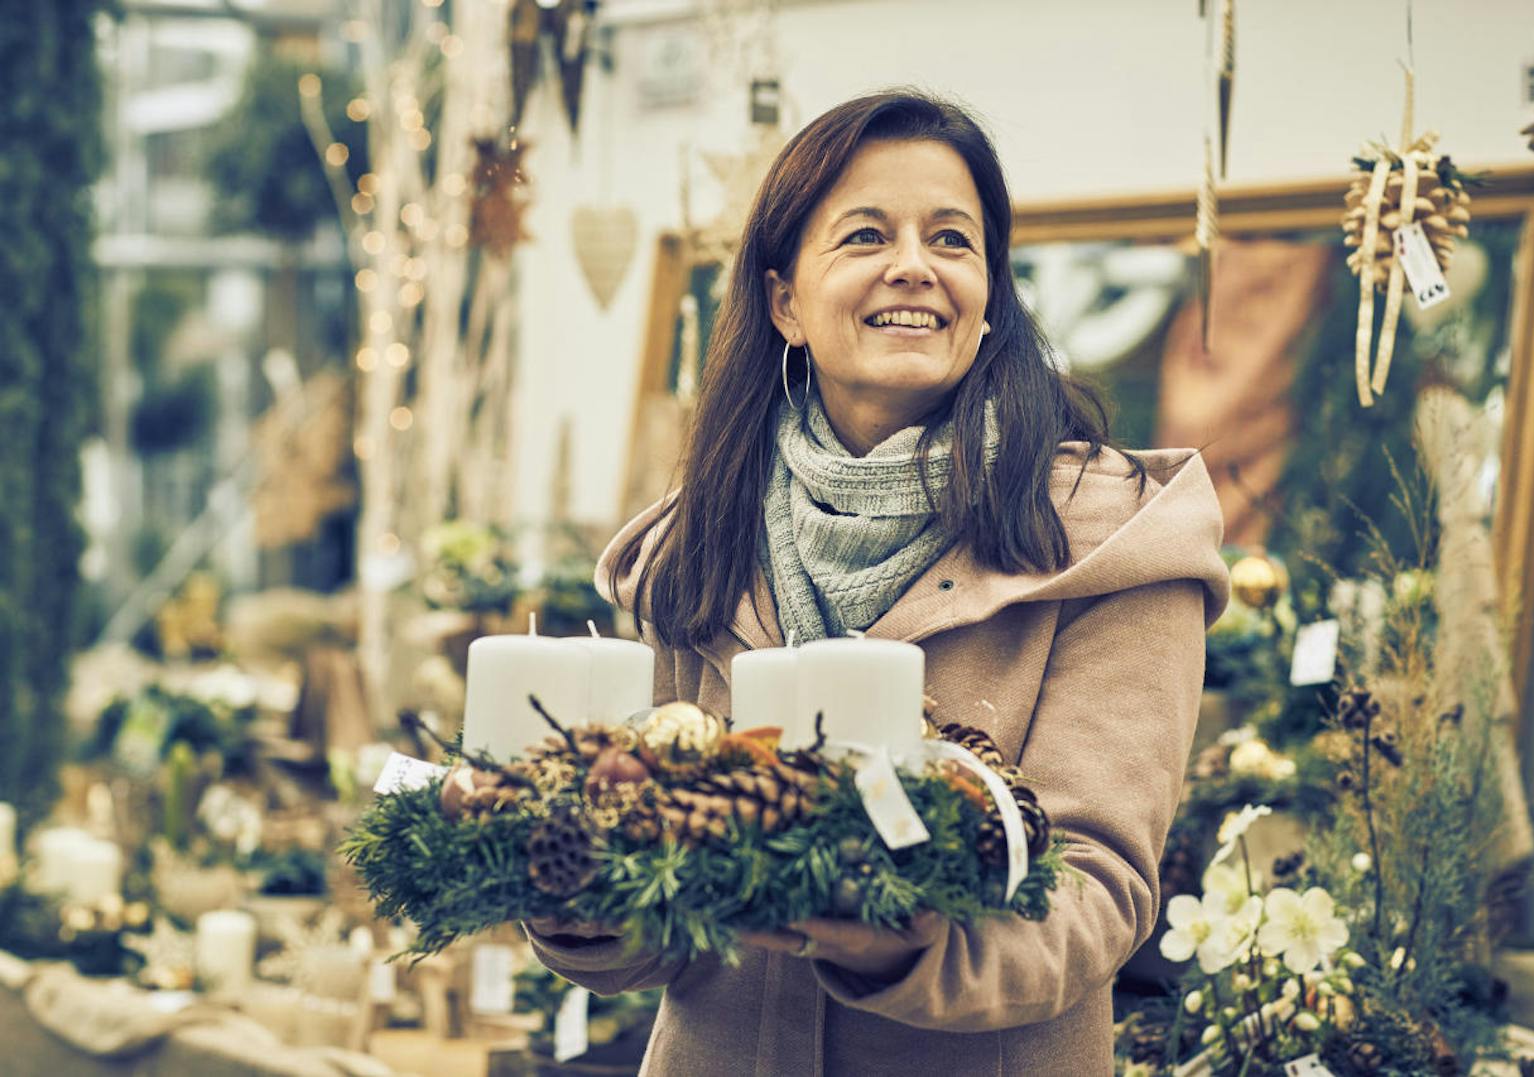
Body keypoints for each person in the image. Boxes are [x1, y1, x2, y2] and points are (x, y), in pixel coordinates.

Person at [527, 89, 1229, 1076]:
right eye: (864, 235)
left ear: (987, 296)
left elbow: (1096, 893)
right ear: (784, 302)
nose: (913, 264)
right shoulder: (703, 538)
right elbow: (664, 899)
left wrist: (909, 940)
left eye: (951, 238)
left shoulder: (1104, 541)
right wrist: (581, 900)